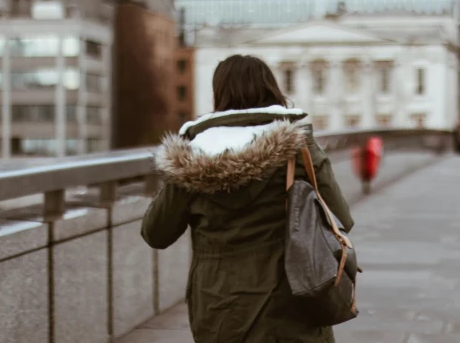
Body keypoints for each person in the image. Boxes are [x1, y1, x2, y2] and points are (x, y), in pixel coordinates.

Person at [141, 55, 353, 343]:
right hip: (295, 299)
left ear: (219, 95)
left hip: (219, 307)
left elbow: (156, 233)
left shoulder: (190, 156)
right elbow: (342, 217)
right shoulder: (297, 148)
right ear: (271, 90)